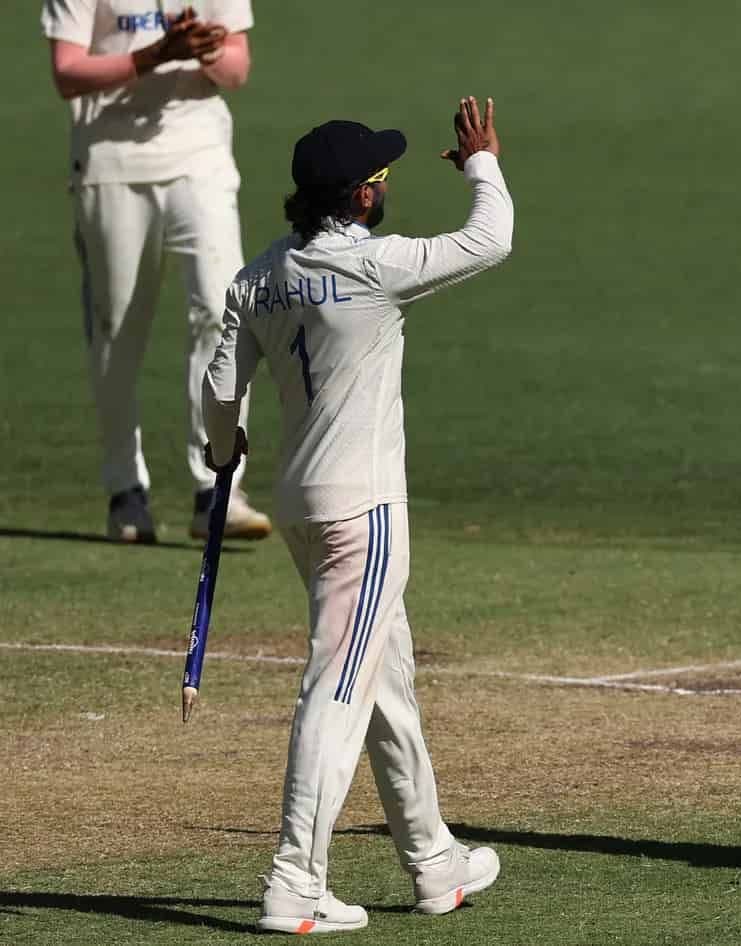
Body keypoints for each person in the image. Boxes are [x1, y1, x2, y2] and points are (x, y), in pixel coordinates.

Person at [202, 98, 513, 934]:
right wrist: (482, 163)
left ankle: (433, 860)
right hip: (364, 511)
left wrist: (223, 450)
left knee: (386, 684)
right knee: (338, 688)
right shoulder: (376, 265)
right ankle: (296, 880)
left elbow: (218, 392)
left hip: (302, 510)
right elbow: (491, 240)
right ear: (363, 195)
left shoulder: (256, 275)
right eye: (380, 177)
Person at [42, 1, 271, 543]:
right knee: (117, 329)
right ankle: (125, 490)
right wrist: (154, 55)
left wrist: (207, 50)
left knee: (224, 312)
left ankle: (218, 486)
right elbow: (67, 72)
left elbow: (236, 68)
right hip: (110, 163)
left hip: (199, 157)